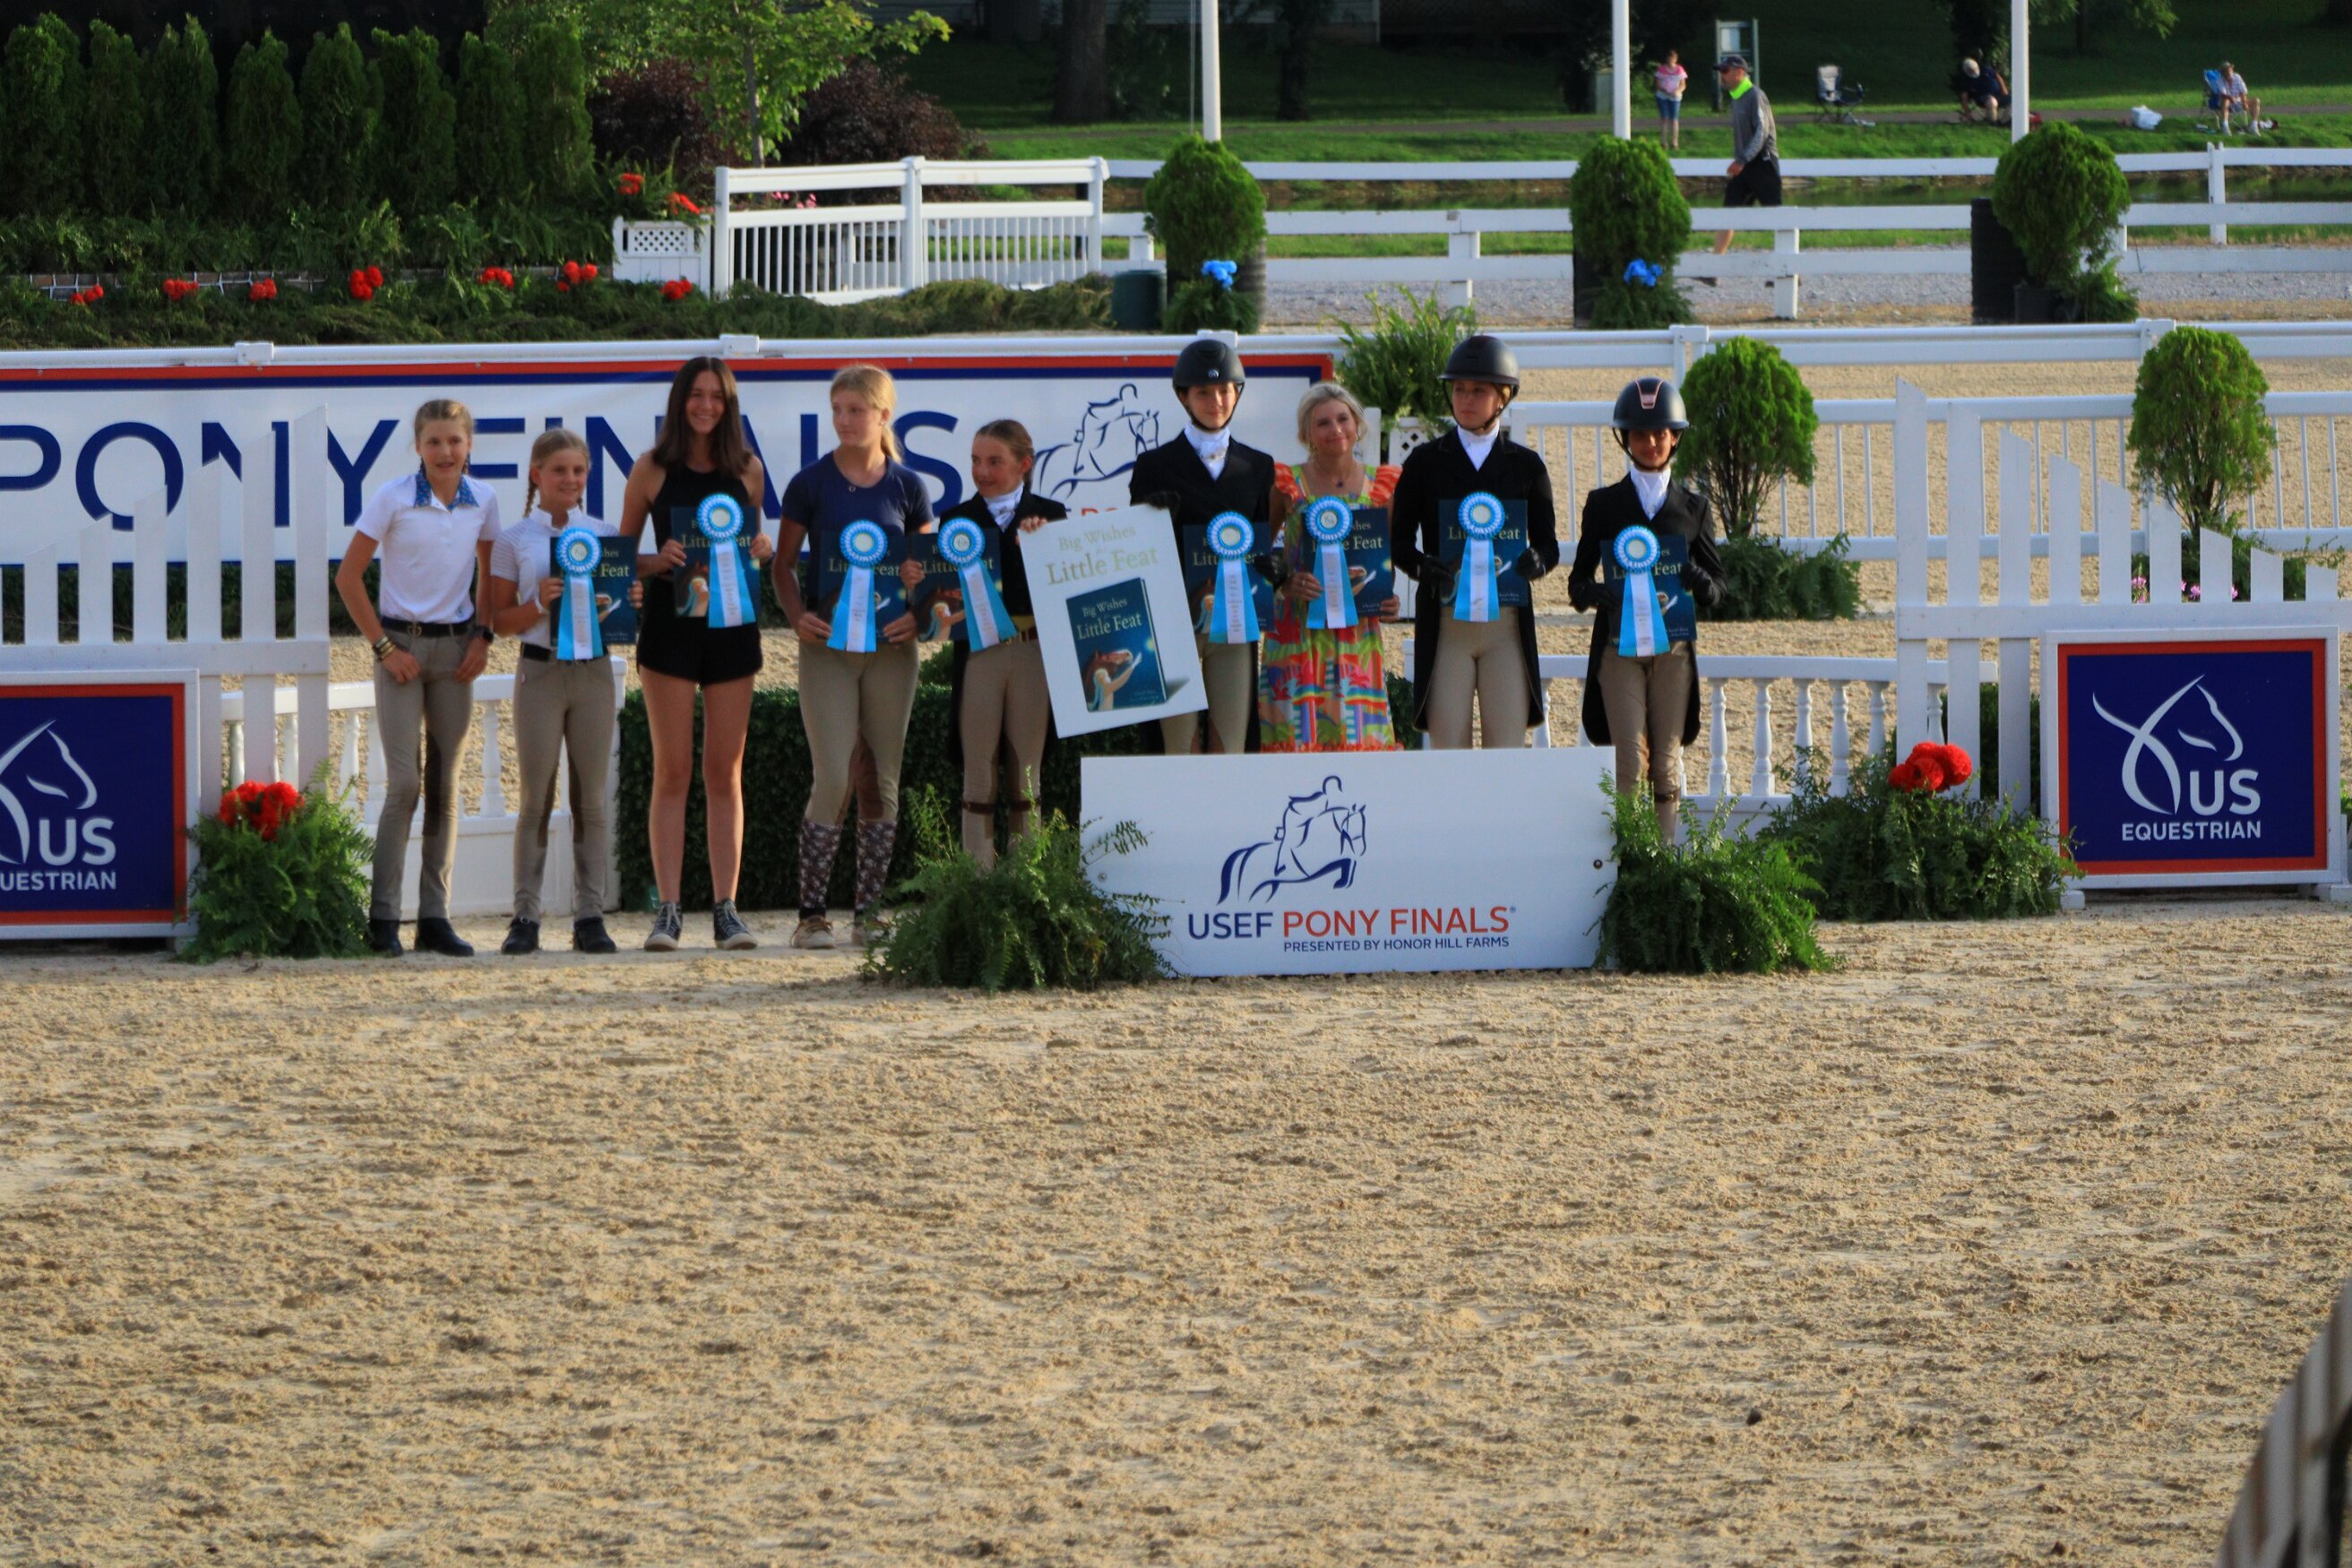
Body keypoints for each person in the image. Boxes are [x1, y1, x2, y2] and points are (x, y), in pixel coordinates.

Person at [618, 356, 775, 953]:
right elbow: (620, 559)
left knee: (725, 772)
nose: (706, 405)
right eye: (696, 394)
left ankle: (726, 910)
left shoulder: (749, 470)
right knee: (674, 771)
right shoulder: (651, 468)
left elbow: (753, 547)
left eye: (717, 396)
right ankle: (668, 910)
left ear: (728, 405)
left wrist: (760, 547)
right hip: (669, 632)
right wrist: (654, 561)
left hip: (733, 631)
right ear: (680, 400)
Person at [774, 365, 933, 949]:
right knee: (834, 774)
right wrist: (797, 617)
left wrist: (917, 607)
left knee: (882, 778)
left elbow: (928, 571)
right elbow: (782, 566)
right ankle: (811, 915)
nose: (843, 420)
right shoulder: (809, 483)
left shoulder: (909, 487)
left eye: (856, 410)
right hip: (829, 652)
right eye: (837, 409)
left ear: (883, 415)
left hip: (892, 651)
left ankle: (870, 912)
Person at [334, 398, 499, 958]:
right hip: (400, 650)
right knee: (405, 784)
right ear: (418, 447)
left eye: (454, 441)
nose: (445, 451)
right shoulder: (393, 497)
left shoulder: (484, 500)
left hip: (456, 652)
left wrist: (483, 637)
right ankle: (382, 918)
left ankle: (435, 918)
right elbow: (348, 577)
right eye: (434, 441)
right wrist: (383, 648)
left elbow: (490, 573)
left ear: (469, 444)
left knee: (446, 784)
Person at [485, 427, 639, 956]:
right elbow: (498, 619)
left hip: (593, 672)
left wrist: (629, 597)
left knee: (590, 799)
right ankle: (525, 916)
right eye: (558, 471)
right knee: (535, 796)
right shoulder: (514, 540)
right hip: (541, 672)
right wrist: (537, 605)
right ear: (537, 475)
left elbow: (617, 607)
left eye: (578, 471)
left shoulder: (604, 533)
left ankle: (589, 915)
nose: (569, 480)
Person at [1567, 377, 1726, 842]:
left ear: (1674, 438)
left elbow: (1719, 587)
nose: (1651, 443)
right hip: (1618, 650)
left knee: (1666, 763)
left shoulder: (1694, 508)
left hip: (1673, 652)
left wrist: (1703, 584)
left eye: (1660, 434)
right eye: (1640, 434)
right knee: (1629, 761)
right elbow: (1577, 583)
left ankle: (1662, 858)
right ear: (1626, 439)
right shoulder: (1603, 504)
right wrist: (1594, 594)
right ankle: (1627, 857)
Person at [1391, 334, 1559, 749]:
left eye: (1478, 391)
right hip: (1447, 624)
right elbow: (1399, 543)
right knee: (1451, 751)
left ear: (1503, 397)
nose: (1465, 399)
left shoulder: (1527, 466)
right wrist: (1421, 566)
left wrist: (1538, 561)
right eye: (1459, 389)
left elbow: (1549, 545)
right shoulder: (1424, 462)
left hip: (1506, 626)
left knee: (1506, 748)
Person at [1127, 337, 1280, 756]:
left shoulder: (1259, 466)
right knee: (1177, 744)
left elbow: (1264, 538)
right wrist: (1150, 513)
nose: (1216, 402)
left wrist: (1274, 568)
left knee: (1231, 741)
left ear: (1237, 393)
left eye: (1224, 391)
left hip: (1234, 620)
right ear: (1184, 397)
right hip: (1173, 617)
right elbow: (1137, 546)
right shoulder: (1153, 466)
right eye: (1204, 393)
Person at [927, 419, 1065, 871]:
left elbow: (1066, 590)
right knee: (978, 775)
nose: (982, 471)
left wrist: (1044, 546)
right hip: (979, 655)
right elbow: (941, 600)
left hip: (1032, 653)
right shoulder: (955, 520)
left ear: (1024, 464)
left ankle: (1028, 879)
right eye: (975, 461)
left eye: (994, 461)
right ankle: (977, 881)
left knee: (1027, 776)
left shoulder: (1052, 515)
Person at [1258, 382, 1402, 753]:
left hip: (1357, 633)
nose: (1335, 429)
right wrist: (1284, 584)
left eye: (1342, 419)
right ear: (1306, 434)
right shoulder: (1286, 483)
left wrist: (1387, 599)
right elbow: (1257, 554)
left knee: (1358, 739)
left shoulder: (1383, 486)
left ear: (1357, 425)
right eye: (1322, 423)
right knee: (1295, 742)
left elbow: (1385, 559)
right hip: (1296, 629)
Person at [1708, 55, 1779, 279]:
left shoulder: (1755, 95)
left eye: (1725, 71)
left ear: (1739, 72)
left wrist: (1742, 159)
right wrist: (1742, 161)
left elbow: (1761, 132)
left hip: (1763, 163)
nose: (1722, 76)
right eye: (1721, 71)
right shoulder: (1737, 98)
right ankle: (1714, 270)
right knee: (1728, 213)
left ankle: (1791, 273)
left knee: (1778, 218)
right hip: (1746, 165)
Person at [1653, 48, 1688, 151]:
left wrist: (1677, 91)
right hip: (1663, 96)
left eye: (1672, 58)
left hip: (1675, 97)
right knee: (1664, 118)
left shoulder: (1679, 70)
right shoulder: (1661, 69)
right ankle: (1664, 142)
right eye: (1669, 57)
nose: (1671, 59)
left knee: (1674, 119)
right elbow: (1657, 83)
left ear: (1675, 59)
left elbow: (1683, 84)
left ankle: (1674, 142)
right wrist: (1664, 90)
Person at [1959, 57, 2010, 124]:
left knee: (2014, 100)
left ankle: (2005, 121)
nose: (1974, 71)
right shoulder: (1966, 80)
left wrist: (2004, 89)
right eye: (1971, 71)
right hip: (1983, 98)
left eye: (1975, 69)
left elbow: (1997, 76)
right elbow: (1964, 96)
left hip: (1999, 94)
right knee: (1992, 102)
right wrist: (1967, 111)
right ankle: (1993, 123)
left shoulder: (1985, 69)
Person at [2221, 63, 2261, 135]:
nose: (2228, 73)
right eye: (2225, 71)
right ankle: (2225, 126)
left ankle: (2254, 125)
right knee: (2226, 101)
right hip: (2227, 104)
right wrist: (2231, 98)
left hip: (2239, 102)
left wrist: (2244, 102)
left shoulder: (2237, 77)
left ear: (2232, 70)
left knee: (2256, 101)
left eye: (2229, 70)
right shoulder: (2220, 80)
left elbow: (2242, 91)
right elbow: (2223, 94)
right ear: (2223, 73)